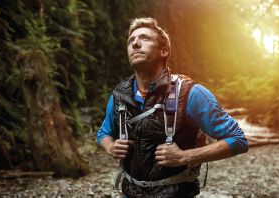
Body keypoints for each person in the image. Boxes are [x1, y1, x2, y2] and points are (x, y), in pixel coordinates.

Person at [96, 17, 248, 197]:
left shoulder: (190, 93)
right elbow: (103, 133)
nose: (135, 44)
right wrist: (110, 147)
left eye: (145, 38)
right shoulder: (119, 96)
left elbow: (238, 140)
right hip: (130, 192)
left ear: (164, 50)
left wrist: (185, 157)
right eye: (131, 41)